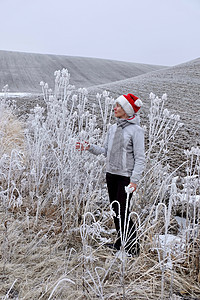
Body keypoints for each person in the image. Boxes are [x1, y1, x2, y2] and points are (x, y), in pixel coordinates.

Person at [76, 93, 145, 255]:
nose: (115, 108)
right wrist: (89, 147)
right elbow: (106, 151)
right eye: (115, 105)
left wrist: (134, 181)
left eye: (119, 106)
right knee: (115, 209)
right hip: (111, 174)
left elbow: (140, 158)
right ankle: (121, 243)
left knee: (123, 211)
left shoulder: (136, 131)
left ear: (127, 110)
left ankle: (133, 249)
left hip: (126, 177)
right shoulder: (113, 128)